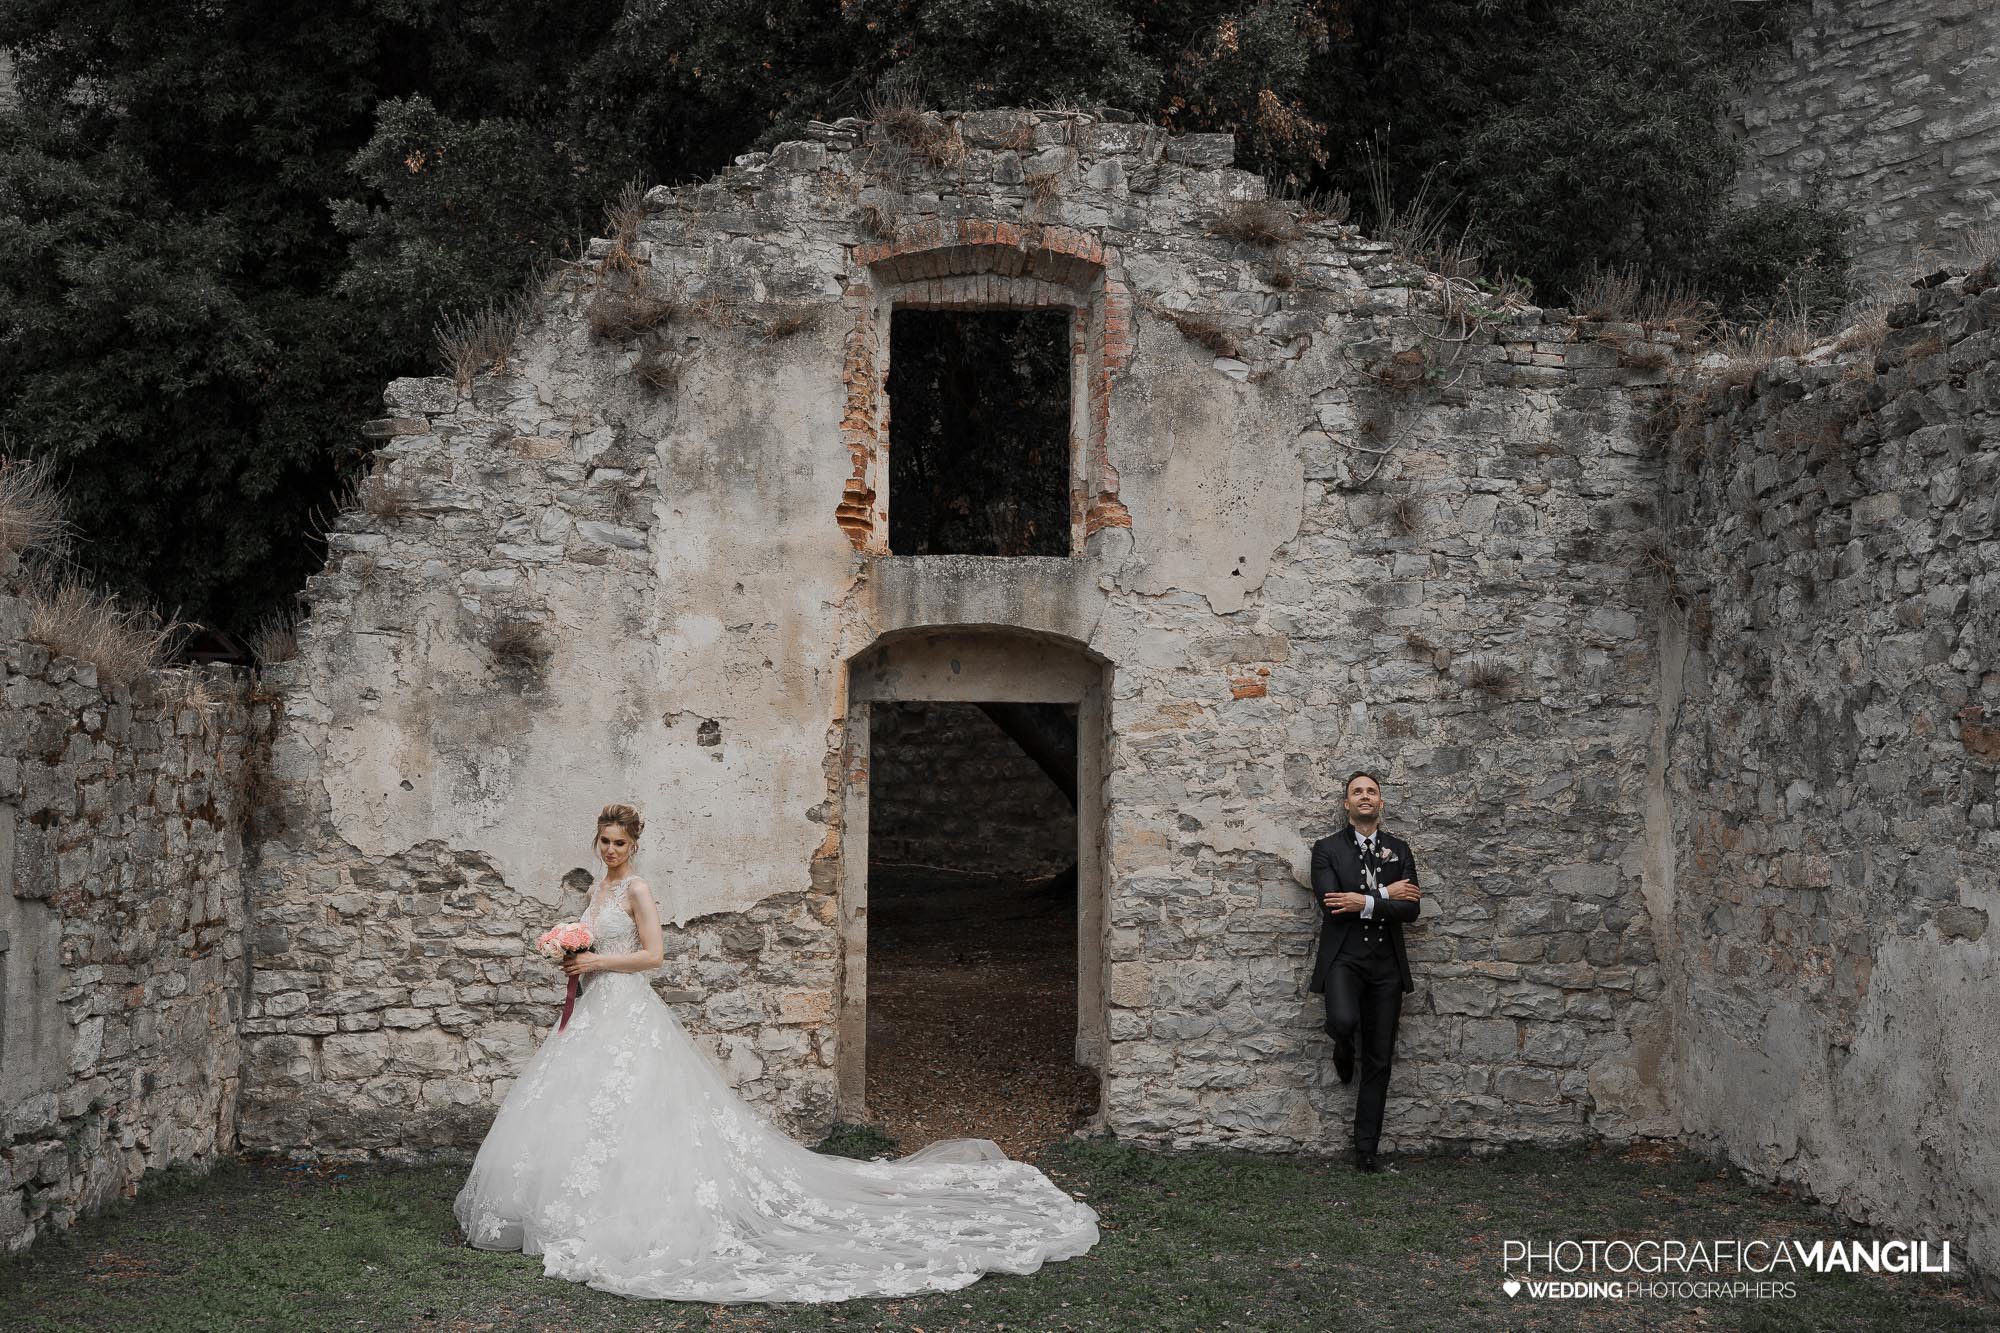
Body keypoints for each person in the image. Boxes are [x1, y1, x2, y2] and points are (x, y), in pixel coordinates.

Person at [454, 802, 1099, 1302]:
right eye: (605, 841)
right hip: (593, 1008)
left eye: (621, 843)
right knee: (581, 1109)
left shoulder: (638, 890)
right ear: (596, 842)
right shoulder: (596, 891)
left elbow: (654, 956)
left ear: (635, 845)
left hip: (625, 1006)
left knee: (638, 1107)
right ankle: (568, 1207)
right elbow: (592, 941)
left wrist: (596, 958)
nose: (612, 851)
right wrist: (571, 955)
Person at [1306, 771, 1423, 1172]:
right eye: (1357, 792)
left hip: (1386, 964)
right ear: (1346, 804)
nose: (1365, 796)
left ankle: (1365, 1149)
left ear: (1381, 802)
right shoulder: (1326, 849)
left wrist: (1367, 901)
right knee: (1341, 1021)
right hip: (1345, 959)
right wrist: (1388, 893)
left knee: (1380, 1058)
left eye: (1371, 791)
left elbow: (1412, 910)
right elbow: (1332, 903)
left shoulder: (1399, 849)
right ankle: (1342, 1045)